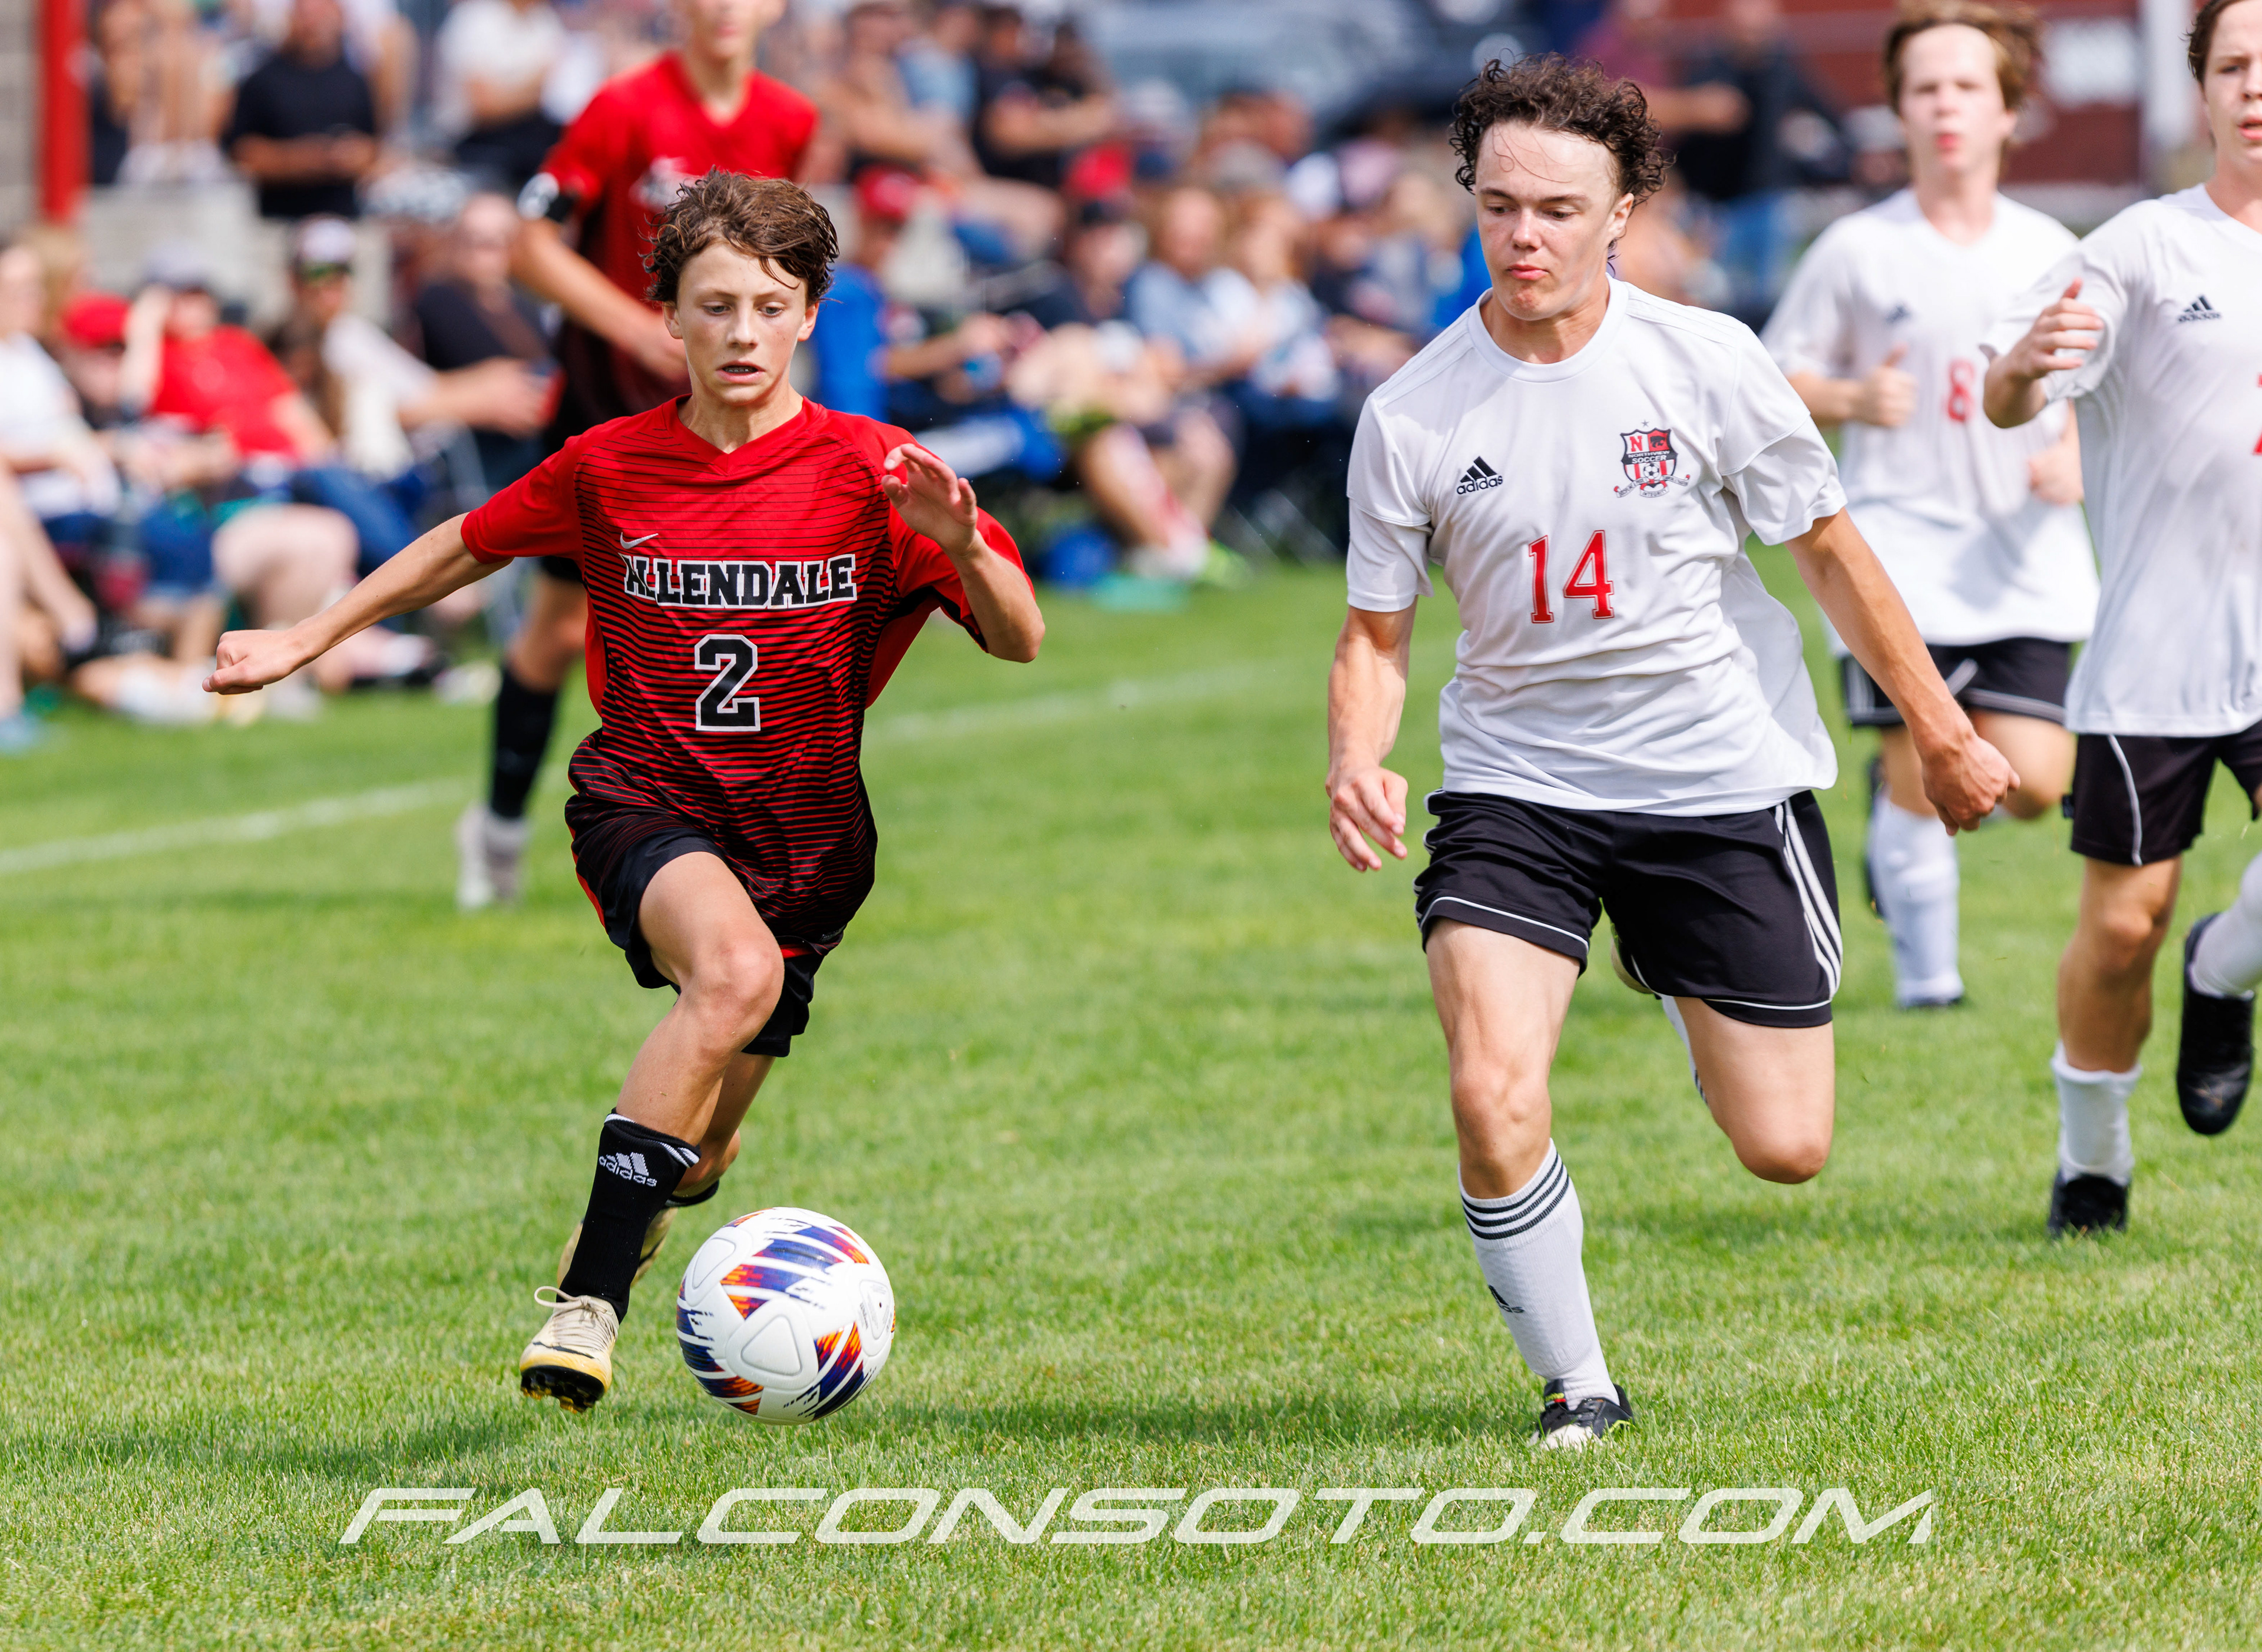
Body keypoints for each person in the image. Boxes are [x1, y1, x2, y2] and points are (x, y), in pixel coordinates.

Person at [205, 171, 1043, 1411]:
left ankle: (651, 1202)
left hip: (807, 849)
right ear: (671, 319)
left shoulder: (878, 473)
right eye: (716, 306)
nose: (743, 333)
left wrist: (965, 543)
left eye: (770, 307)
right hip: (644, 802)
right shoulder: (609, 466)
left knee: (702, 1153)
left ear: (810, 314)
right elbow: (462, 545)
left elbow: (1021, 639)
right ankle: (587, 1307)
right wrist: (305, 635)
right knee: (733, 977)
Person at [1327, 57, 2012, 1446]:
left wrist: (1940, 732)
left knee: (1785, 1147)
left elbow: (1830, 553)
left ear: (1622, 212)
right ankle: (1576, 1383)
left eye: (1558, 210)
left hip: (1715, 778)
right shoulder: (1412, 410)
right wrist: (1357, 754)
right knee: (1490, 1090)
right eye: (1499, 206)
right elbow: (1374, 636)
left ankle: (1674, 971)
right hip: (1518, 786)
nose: (1524, 236)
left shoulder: (1706, 361)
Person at [1979, 0, 2262, 1235]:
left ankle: (2226, 966)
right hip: (2160, 649)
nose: (2257, 86)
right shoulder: (2143, 247)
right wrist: (2021, 368)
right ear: (2201, 93)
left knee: (2183, 936)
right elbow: (2011, 392)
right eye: (2235, 65)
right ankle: (2091, 1161)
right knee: (2121, 930)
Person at [1764, 0, 2096, 1011]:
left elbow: (2105, 386)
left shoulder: (2054, 250)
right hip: (1897, 547)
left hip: (2024, 554)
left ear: (2009, 111)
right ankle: (1930, 987)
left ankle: (1897, 821)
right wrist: (1850, 395)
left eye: (1967, 87)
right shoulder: (1857, 250)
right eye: (1925, 89)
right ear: (1899, 110)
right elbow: (1771, 380)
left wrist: (2075, 454)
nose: (1946, 106)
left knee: (2035, 781)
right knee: (1921, 764)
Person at [458, 0, 815, 912]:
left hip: (720, 417)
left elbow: (784, 273)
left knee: (723, 621)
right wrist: (638, 326)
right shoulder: (622, 108)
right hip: (605, 411)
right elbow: (530, 246)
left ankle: (713, 848)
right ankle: (498, 827)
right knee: (557, 632)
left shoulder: (788, 120)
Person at [1671, 0, 1848, 323]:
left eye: (1760, 29)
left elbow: (1828, 113)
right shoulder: (1709, 70)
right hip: (1719, 205)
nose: (1754, 37)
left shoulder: (1783, 70)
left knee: (1770, 301)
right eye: (1747, 29)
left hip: (1768, 200)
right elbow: (1682, 136)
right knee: (1719, 300)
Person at [221, 0, 382, 221]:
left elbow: (374, 147)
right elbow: (240, 153)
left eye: (319, 15)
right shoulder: (262, 81)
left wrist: (352, 157)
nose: (311, 24)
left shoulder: (355, 81)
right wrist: (303, 160)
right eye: (304, 15)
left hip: (343, 219)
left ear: (339, 19)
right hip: (278, 220)